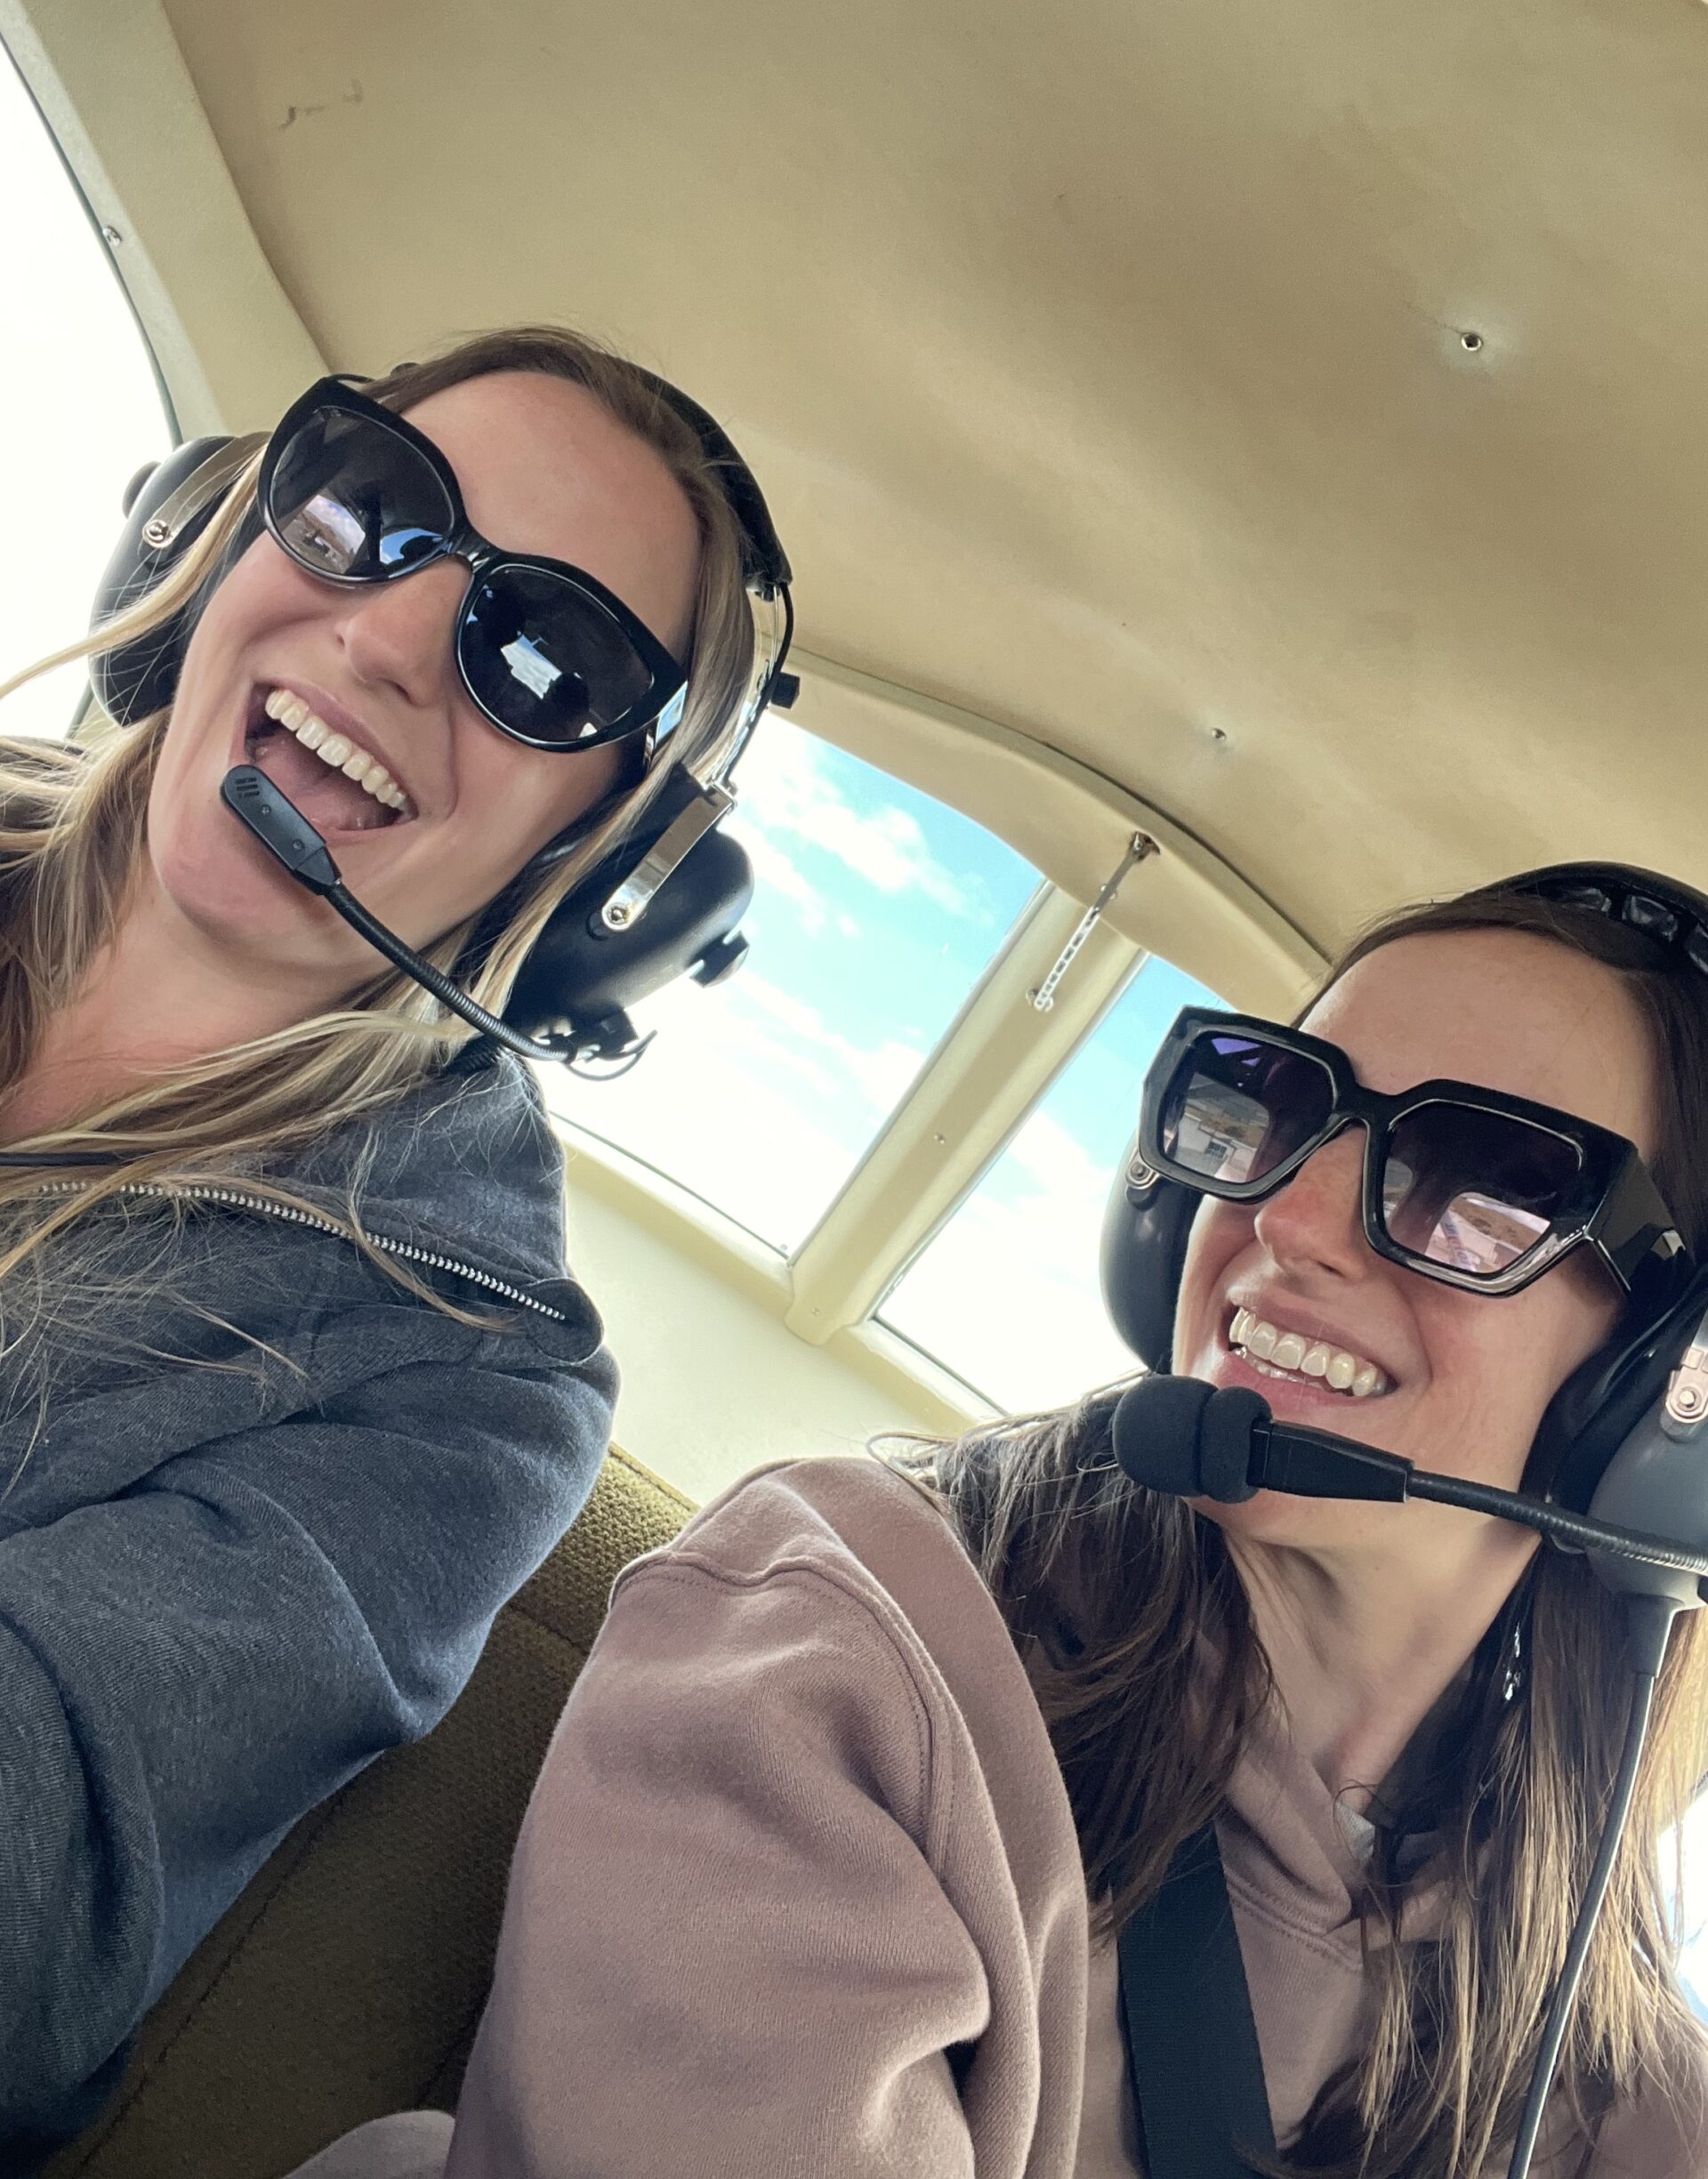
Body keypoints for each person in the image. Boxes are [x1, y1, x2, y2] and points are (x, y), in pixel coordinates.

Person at [302, 866, 1708, 2177]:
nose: (1292, 1215)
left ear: (1664, 1388)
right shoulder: (849, 1649)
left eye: (1481, 1182)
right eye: (1281, 1108)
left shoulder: (1610, 2073)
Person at [0, 325, 768, 2163]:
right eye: (376, 510)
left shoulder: (466, 1363)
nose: (399, 634)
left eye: (549, 656)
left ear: (606, 870)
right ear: (220, 531)